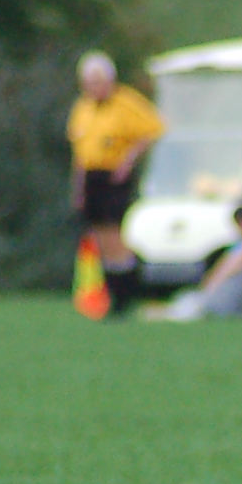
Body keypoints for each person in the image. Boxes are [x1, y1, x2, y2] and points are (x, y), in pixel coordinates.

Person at [67, 52, 165, 314]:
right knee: (100, 235)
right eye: (89, 82)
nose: (94, 88)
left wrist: (128, 160)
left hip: (113, 175)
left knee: (114, 234)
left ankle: (126, 293)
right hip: (92, 176)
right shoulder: (83, 108)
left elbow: (153, 128)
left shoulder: (126, 102)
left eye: (98, 81)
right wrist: (78, 188)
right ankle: (111, 293)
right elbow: (80, 152)